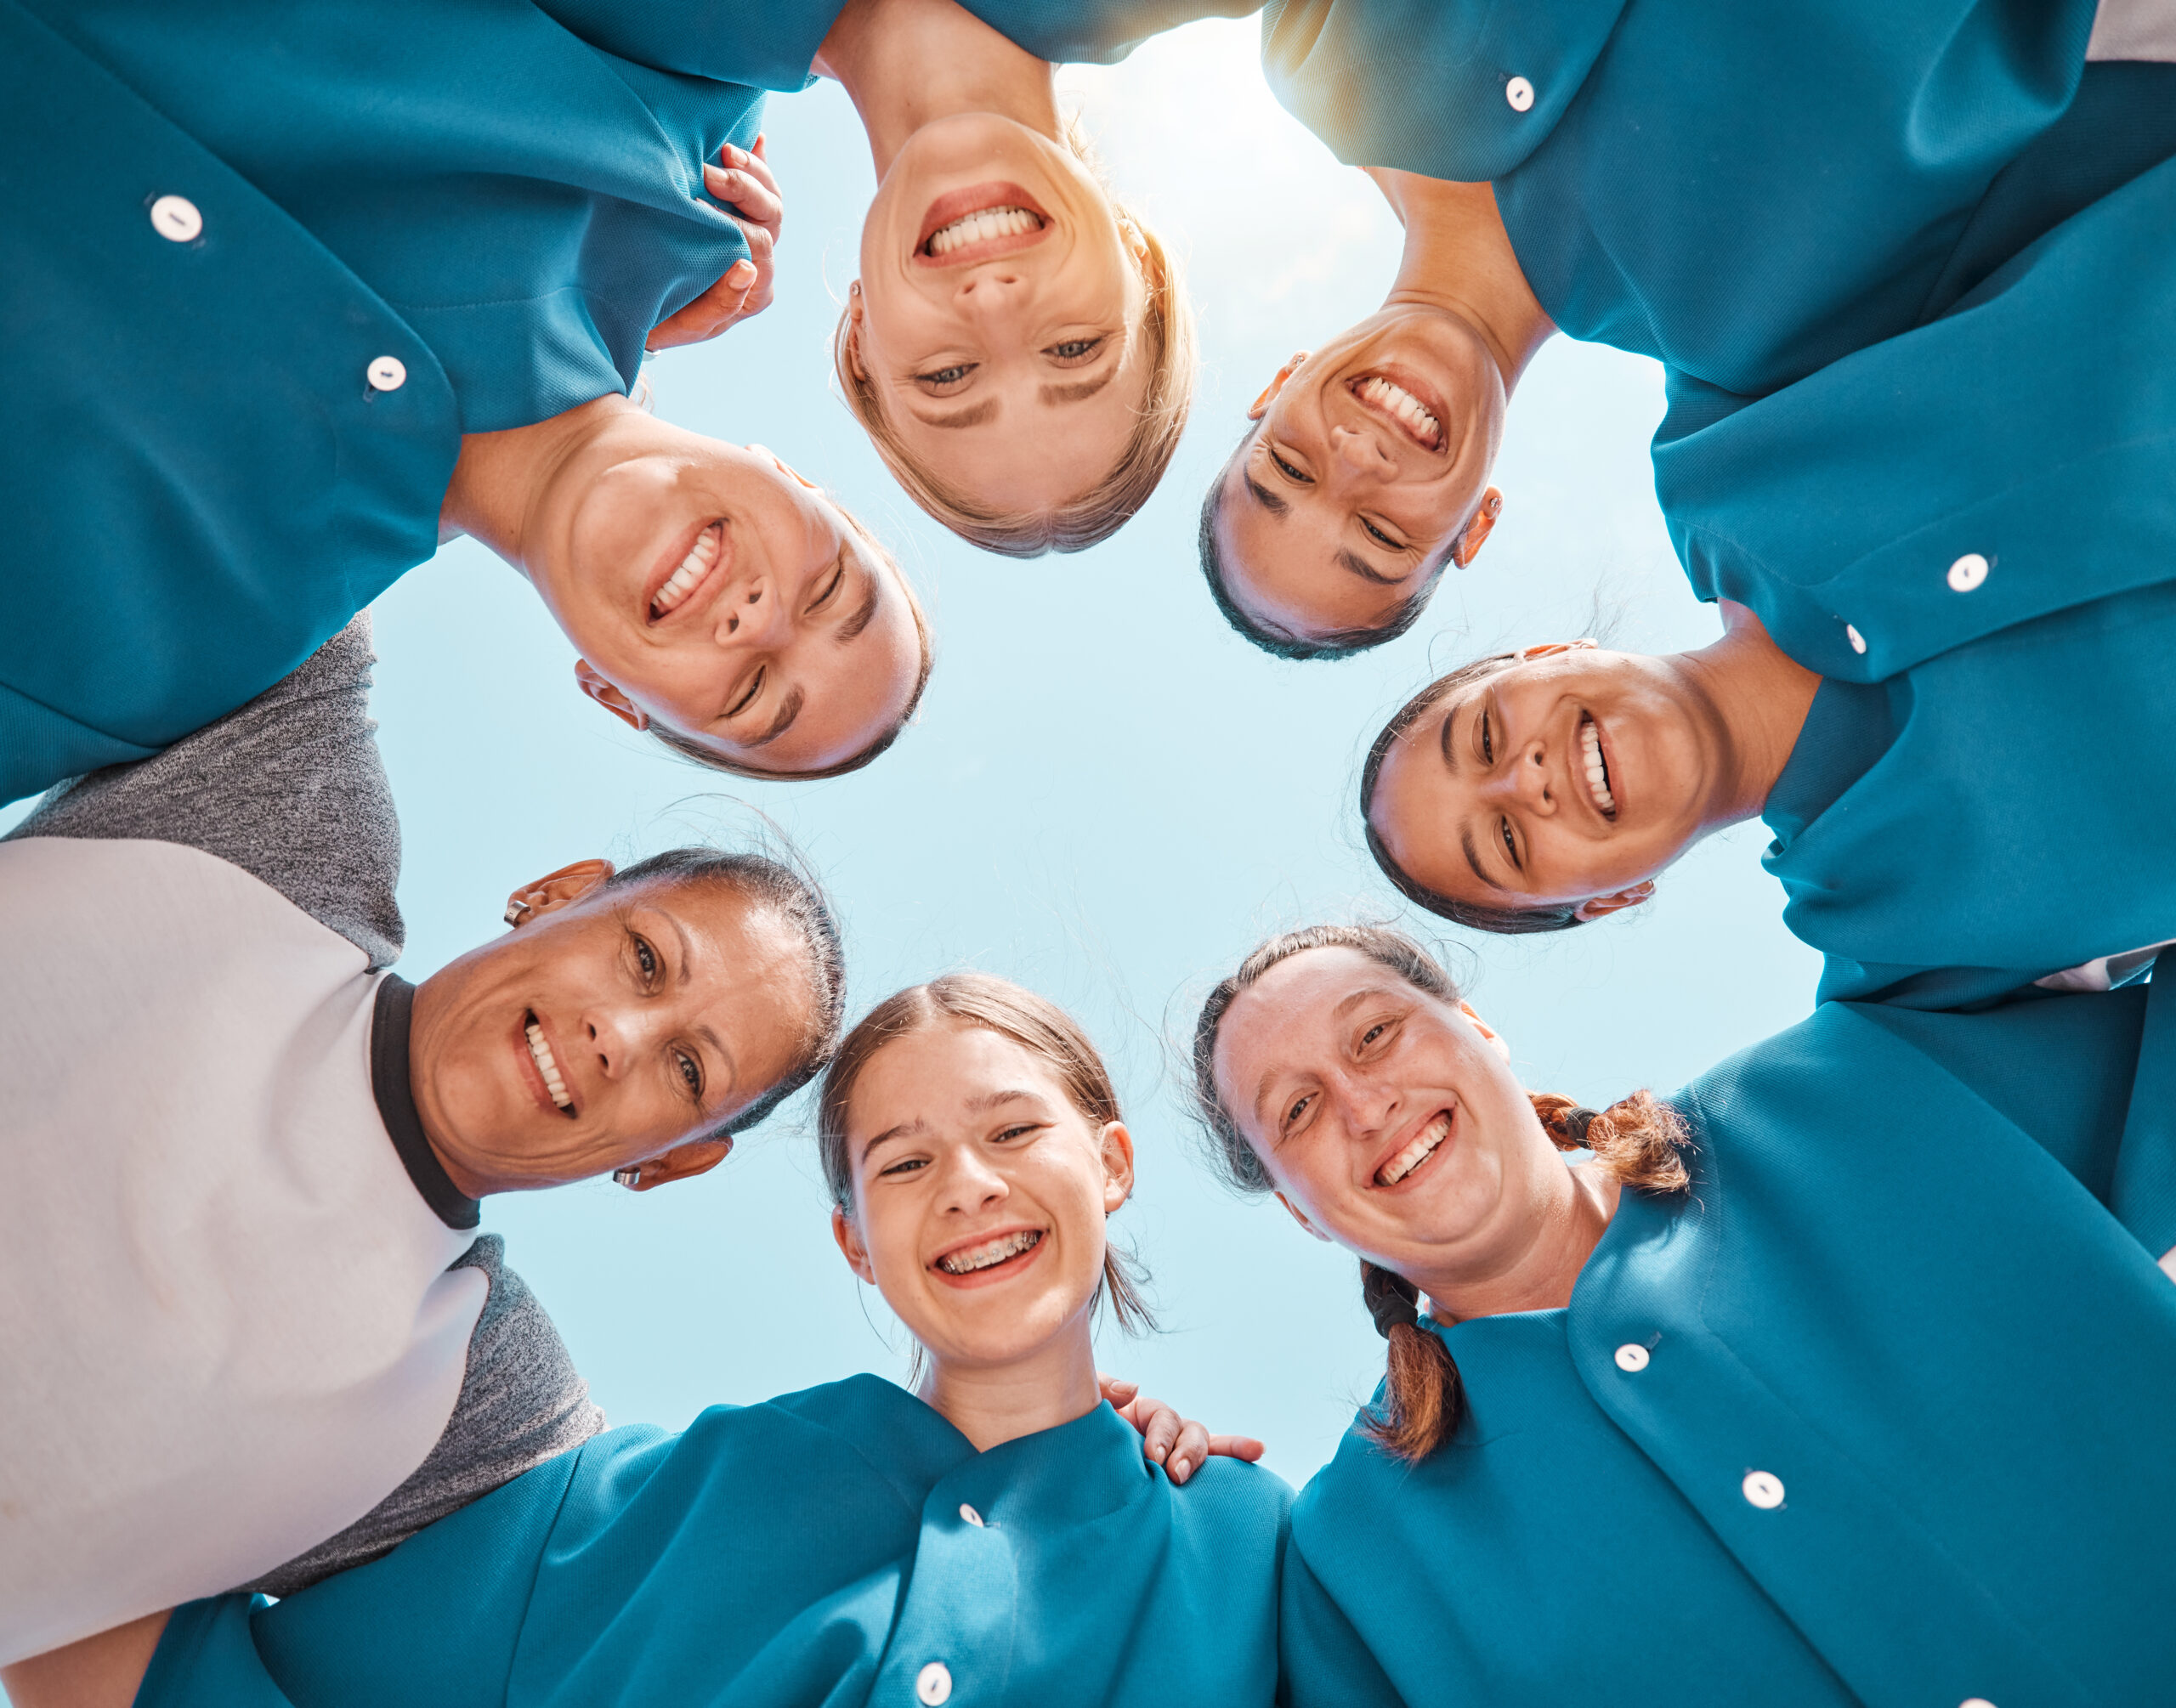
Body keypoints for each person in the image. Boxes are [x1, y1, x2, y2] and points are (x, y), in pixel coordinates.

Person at [15, 975, 1289, 1708]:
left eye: (1014, 1133)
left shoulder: (1249, 1539)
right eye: (902, 1162)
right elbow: (122, 1654)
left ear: (1109, 1163)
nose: (967, 1184)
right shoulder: (638, 1506)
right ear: (854, 1239)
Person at [0, 615, 850, 1664]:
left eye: (688, 1070)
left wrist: (1067, 1466)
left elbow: (685, 1612)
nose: (617, 1038)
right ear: (560, 893)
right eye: (642, 960)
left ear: (672, 1158)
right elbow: (296, 491)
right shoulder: (287, 810)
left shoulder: (474, 1412)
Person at [971, 0, 2176, 651]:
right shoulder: (1768, 349)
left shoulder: (1322, 52)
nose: (1359, 465)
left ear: (1277, 382)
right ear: (1473, 526)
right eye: (1382, 535)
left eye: (1287, 466)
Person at [1190, 923, 2176, 1705]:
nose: (1364, 1105)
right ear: (1298, 1210)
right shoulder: (1355, 1567)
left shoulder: (1846, 1091)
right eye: (1298, 1112)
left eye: (1374, 1034)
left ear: (1480, 1031)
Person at [3, 0, 929, 806]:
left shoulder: (163, 662)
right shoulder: (677, 118)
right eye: (826, 589)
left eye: (750, 694)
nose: (756, 620)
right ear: (796, 477)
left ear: (611, 697)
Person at [1361, 152, 2176, 1007]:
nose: (1523, 780)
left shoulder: (1730, 432)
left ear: (1548, 652)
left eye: (1486, 736)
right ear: (1607, 901)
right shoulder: (1916, 964)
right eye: (1505, 842)